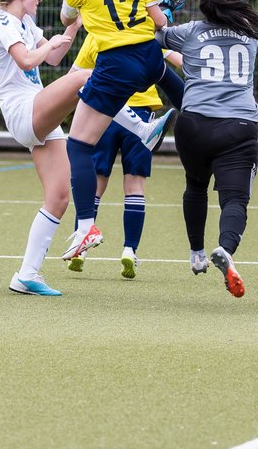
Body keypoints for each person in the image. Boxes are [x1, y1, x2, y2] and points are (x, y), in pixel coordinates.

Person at [0, 0, 170, 297]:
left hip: (37, 111)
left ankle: (26, 274)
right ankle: (141, 130)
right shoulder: (4, 21)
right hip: (23, 110)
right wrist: (49, 44)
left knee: (59, 196)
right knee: (84, 77)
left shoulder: (25, 20)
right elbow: (27, 61)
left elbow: (54, 59)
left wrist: (75, 28)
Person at [58, 0, 176, 262]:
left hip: (114, 62)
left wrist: (79, 10)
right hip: (147, 55)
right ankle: (209, 127)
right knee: (177, 88)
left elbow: (67, 16)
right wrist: (165, 10)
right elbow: (160, 22)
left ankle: (85, 227)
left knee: (77, 146)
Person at [157, 0, 258, 298]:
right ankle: (226, 249)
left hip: (192, 124)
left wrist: (164, 9)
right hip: (237, 126)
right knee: (235, 200)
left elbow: (152, 37)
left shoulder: (190, 32)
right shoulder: (252, 36)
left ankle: (196, 253)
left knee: (195, 185)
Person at [66, 35, 184, 279]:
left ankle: (81, 248)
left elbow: (73, 74)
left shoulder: (97, 35)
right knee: (135, 184)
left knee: (97, 182)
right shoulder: (145, 35)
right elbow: (180, 62)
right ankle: (130, 250)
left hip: (105, 111)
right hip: (141, 114)